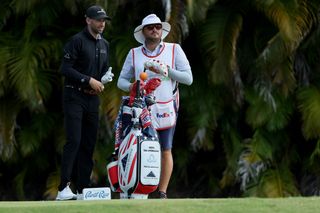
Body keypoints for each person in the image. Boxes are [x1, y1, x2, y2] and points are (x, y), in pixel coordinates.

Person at [117, 14, 193, 199]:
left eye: (158, 26)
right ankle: (140, 189)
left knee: (165, 149)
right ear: (143, 31)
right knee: (138, 147)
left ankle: (162, 192)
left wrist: (165, 70)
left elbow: (188, 79)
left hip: (166, 106)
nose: (155, 30)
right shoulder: (134, 53)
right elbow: (121, 81)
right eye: (150, 27)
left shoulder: (174, 50)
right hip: (139, 107)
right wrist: (132, 87)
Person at [56, 5, 114, 201]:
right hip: (74, 97)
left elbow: (102, 72)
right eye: (98, 20)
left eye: (103, 20)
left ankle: (83, 190)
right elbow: (65, 68)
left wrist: (102, 80)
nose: (102, 23)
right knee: (74, 141)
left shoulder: (105, 44)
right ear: (88, 20)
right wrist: (88, 80)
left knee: (89, 144)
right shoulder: (77, 41)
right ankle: (63, 188)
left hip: (92, 99)